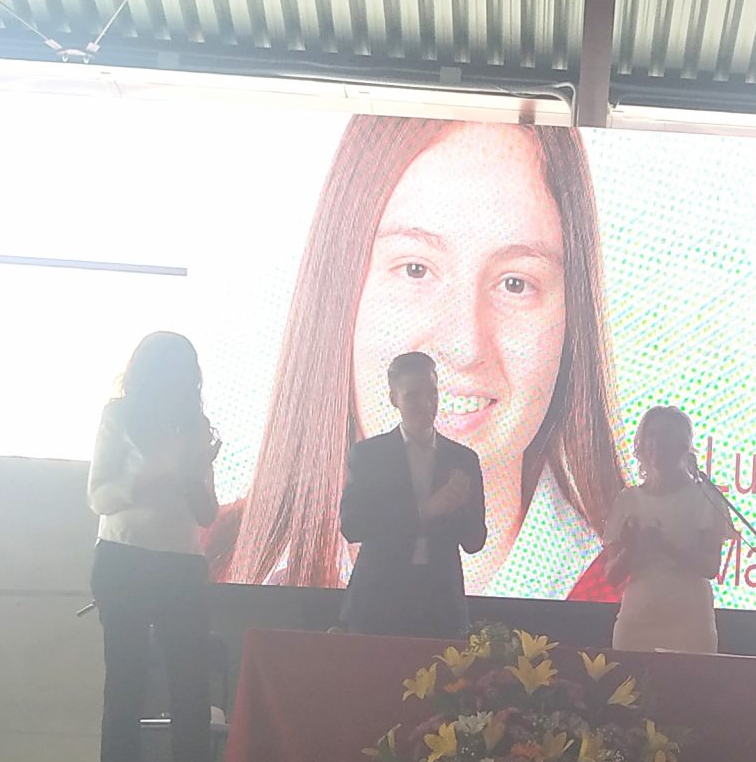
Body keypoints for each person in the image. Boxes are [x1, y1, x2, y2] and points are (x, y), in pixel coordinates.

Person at [211, 115, 623, 600]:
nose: (464, 346)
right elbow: (356, 522)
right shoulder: (212, 556)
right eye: (415, 269)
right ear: (337, 287)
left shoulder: (622, 588)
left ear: (572, 318)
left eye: (515, 283)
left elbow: (474, 537)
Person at [87, 332, 221, 762]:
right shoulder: (119, 417)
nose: (184, 380)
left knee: (191, 698)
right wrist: (148, 477)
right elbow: (98, 494)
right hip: (123, 558)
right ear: (151, 373)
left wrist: (190, 476)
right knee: (125, 690)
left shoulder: (196, 426)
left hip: (181, 564)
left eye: (189, 371)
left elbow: (207, 513)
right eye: (175, 370)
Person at [337, 351, 487, 637]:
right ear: (394, 399)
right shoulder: (369, 455)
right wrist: (424, 510)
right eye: (413, 396)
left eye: (432, 394)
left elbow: (474, 541)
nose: (426, 404)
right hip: (377, 603)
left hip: (440, 606)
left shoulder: (462, 458)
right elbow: (353, 526)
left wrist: (460, 506)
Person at [603, 406, 733, 652]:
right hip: (636, 622)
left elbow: (710, 567)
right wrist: (630, 550)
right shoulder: (628, 500)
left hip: (690, 624)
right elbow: (612, 577)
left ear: (683, 445)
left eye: (665, 435)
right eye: (650, 435)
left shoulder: (705, 497)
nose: (656, 443)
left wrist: (666, 546)